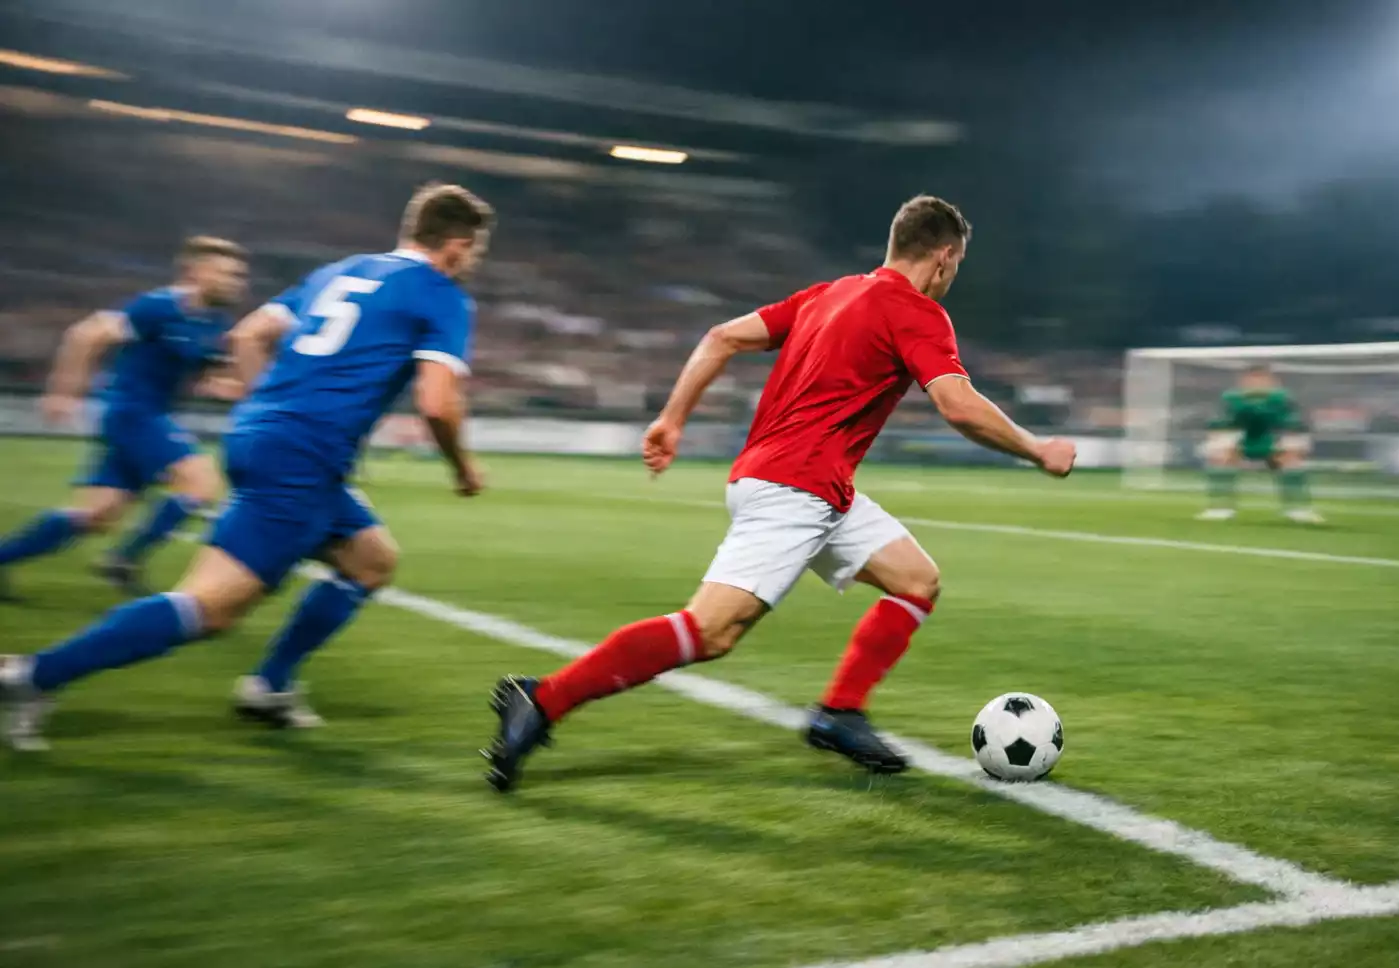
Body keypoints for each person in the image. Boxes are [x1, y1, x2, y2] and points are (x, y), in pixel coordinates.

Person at [482, 195, 1077, 794]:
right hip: (795, 489)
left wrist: (671, 419)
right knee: (710, 631)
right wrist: (1037, 447)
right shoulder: (916, 311)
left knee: (916, 579)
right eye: (958, 264)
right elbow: (957, 404)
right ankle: (544, 699)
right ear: (945, 257)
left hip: (799, 482)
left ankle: (839, 712)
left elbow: (720, 337)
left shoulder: (828, 294)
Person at [1, 183, 493, 750]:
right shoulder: (444, 295)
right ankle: (33, 675)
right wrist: (463, 467)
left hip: (267, 437)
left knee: (371, 560)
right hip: (301, 457)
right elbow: (438, 403)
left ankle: (270, 685)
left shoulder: (342, 270)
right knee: (210, 607)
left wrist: (269, 403)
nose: (473, 263)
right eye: (475, 251)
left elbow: (248, 334)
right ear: (456, 246)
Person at [0, 237, 248, 598]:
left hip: (151, 415)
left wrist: (228, 387)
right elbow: (86, 335)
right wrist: (64, 390)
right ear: (196, 272)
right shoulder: (159, 306)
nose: (236, 282)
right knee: (200, 485)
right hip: (131, 411)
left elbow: (207, 377)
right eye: (227, 274)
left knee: (96, 516)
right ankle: (123, 559)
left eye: (239, 275)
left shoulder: (216, 322)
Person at [1198, 365, 1323, 524]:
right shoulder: (1231, 398)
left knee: (1292, 459)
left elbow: (1293, 425)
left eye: (1261, 379)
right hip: (1243, 438)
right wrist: (1222, 443)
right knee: (1219, 455)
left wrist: (1287, 446)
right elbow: (1220, 424)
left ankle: (1298, 509)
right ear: (1243, 381)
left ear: (1271, 381)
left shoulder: (1282, 398)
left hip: (1273, 438)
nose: (1256, 383)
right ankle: (1220, 508)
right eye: (1252, 379)